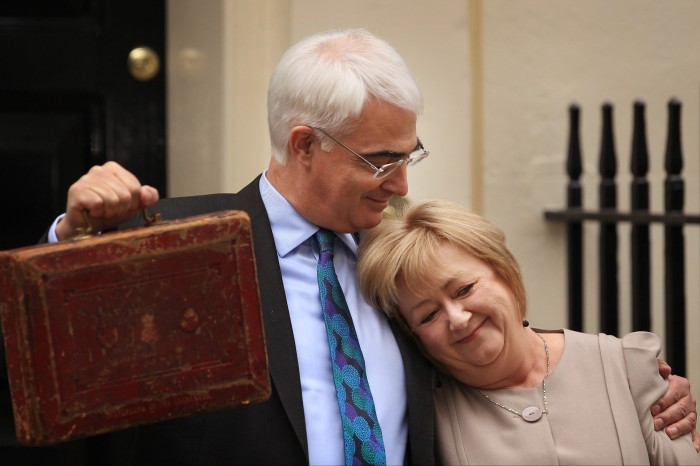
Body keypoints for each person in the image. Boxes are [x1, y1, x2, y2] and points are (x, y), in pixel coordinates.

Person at [6, 29, 695, 465]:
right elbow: (43, 384)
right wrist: (71, 242)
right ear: (304, 145)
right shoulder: (175, 246)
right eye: (379, 159)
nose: (401, 180)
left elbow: (475, 332)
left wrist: (625, 379)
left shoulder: (396, 253)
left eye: (408, 153)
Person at [357, 198, 700, 465]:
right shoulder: (423, 413)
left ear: (503, 272)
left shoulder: (626, 367)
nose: (457, 318)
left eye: (463, 290)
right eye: (429, 314)